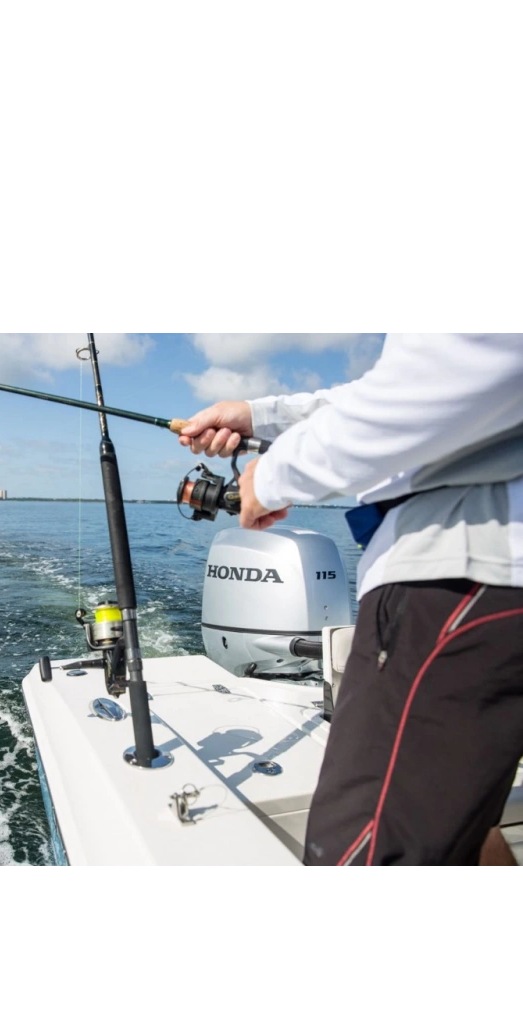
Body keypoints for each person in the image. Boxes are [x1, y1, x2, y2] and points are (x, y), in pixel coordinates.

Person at [179, 330, 523, 870]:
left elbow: (437, 379)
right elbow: (402, 382)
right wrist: (260, 418)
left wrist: (274, 475)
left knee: (357, 855)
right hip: (487, 576)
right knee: (467, 826)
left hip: (460, 574)